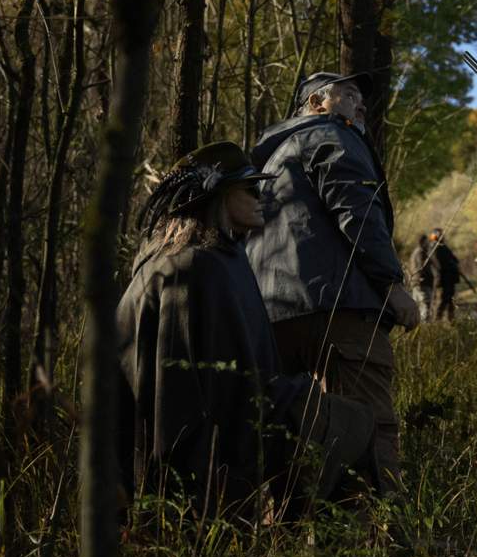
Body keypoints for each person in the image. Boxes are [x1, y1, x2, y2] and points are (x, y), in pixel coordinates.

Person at [117, 142, 378, 516]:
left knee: (352, 424)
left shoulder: (216, 258)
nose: (260, 195)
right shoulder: (192, 267)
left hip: (243, 417)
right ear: (217, 195)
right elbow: (200, 392)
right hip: (202, 451)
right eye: (248, 188)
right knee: (353, 428)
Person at [247, 71, 419, 494]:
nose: (360, 105)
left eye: (362, 96)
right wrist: (391, 284)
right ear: (317, 104)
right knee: (367, 426)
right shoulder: (331, 134)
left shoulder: (267, 160)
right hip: (338, 309)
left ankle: (289, 543)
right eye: (349, 95)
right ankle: (379, 543)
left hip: (268, 317)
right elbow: (355, 209)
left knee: (288, 436)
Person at [430, 228, 462, 323]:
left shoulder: (444, 247)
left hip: (449, 280)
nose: (442, 236)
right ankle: (436, 323)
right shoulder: (433, 248)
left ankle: (451, 322)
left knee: (451, 302)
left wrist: (452, 264)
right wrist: (450, 264)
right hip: (441, 281)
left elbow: (455, 260)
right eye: (440, 234)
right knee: (440, 302)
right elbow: (438, 265)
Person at [408, 233, 436, 319]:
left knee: (418, 307)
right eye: (426, 241)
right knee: (425, 306)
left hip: (416, 282)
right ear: (423, 241)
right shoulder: (421, 252)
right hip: (422, 283)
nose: (428, 243)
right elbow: (422, 267)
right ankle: (424, 328)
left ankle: (419, 330)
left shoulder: (415, 252)